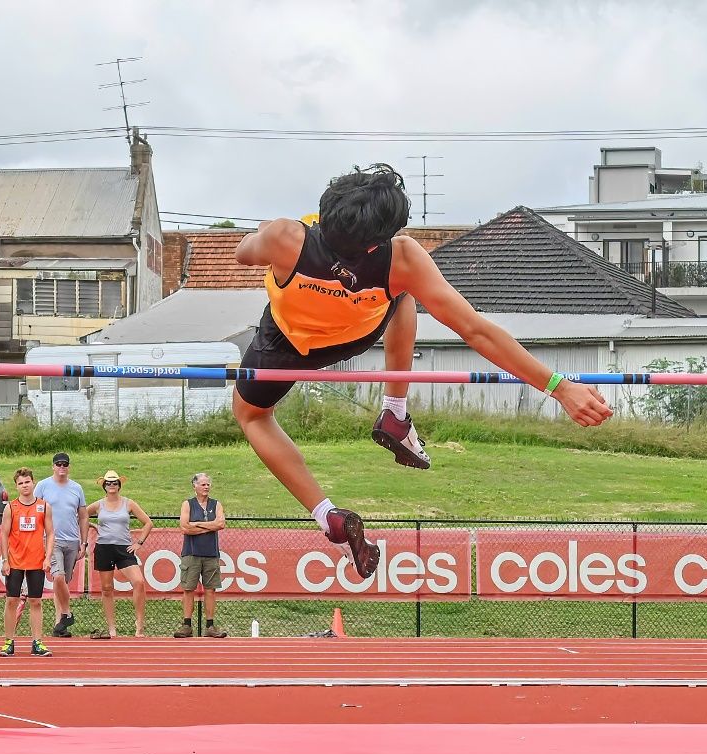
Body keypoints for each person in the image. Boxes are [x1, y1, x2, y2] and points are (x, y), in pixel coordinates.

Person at [232, 164, 613, 579]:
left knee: (252, 416)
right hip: (353, 336)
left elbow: (242, 253)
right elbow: (475, 330)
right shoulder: (403, 259)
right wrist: (558, 388)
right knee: (403, 296)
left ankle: (326, 516)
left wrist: (264, 229)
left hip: (284, 344)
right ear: (380, 240)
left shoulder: (286, 237)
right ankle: (394, 410)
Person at [85, 470, 154, 639]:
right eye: (108, 483)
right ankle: (111, 628)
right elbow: (80, 516)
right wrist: (92, 526)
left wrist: (139, 542)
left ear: (119, 485)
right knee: (107, 588)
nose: (112, 486)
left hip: (124, 548)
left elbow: (148, 523)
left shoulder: (128, 503)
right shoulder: (98, 504)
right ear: (104, 486)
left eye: (114, 483)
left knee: (138, 582)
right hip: (104, 548)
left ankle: (139, 625)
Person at [0, 468, 55, 657]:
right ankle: (9, 641)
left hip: (36, 561)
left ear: (33, 483)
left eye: (27, 482)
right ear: (16, 486)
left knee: (36, 601)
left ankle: (37, 642)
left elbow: (51, 533)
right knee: (12, 600)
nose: (25, 486)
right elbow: (4, 534)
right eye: (21, 483)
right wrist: (5, 560)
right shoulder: (11, 507)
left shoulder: (44, 506)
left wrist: (48, 558)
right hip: (14, 561)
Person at [35, 452, 88, 637]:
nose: (62, 467)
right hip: (51, 539)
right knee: (58, 577)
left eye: (65, 464)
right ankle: (67, 613)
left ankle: (60, 624)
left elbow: (83, 516)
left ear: (69, 466)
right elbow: (34, 510)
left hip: (72, 540)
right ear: (53, 466)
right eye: (58, 464)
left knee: (63, 582)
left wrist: (84, 542)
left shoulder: (77, 488)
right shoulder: (43, 486)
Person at [174, 473, 229, 639]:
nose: (206, 487)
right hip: (191, 553)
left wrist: (197, 525)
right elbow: (184, 527)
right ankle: (186, 625)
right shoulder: (187, 504)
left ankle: (210, 626)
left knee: (210, 590)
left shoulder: (216, 504)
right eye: (203, 484)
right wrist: (209, 527)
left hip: (211, 553)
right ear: (195, 486)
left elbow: (220, 524)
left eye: (208, 484)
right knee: (188, 589)